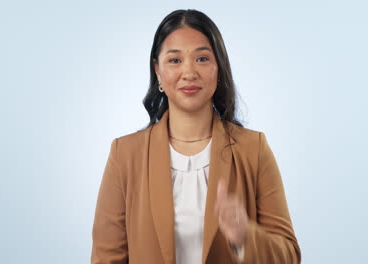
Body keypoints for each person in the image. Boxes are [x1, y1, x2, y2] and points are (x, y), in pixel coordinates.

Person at [91, 9, 301, 264]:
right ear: (157, 70)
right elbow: (106, 258)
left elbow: (289, 257)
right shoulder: (124, 154)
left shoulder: (253, 149)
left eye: (202, 59)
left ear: (219, 67)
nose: (189, 72)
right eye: (175, 60)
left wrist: (245, 236)